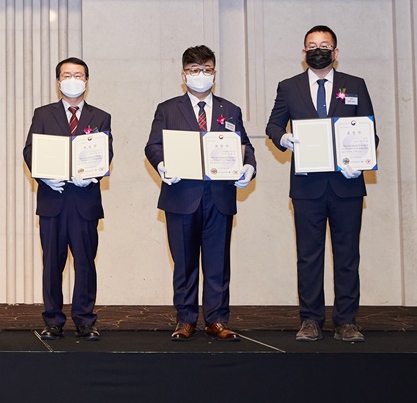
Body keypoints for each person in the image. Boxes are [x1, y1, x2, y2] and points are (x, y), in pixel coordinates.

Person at [266, 25, 376, 343]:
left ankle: (346, 322)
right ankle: (310, 320)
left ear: (335, 52)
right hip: (307, 187)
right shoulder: (289, 87)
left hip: (347, 185)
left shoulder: (355, 85)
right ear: (303, 53)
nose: (318, 50)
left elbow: (370, 133)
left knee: (347, 256)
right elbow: (273, 125)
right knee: (308, 256)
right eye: (312, 45)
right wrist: (282, 138)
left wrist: (361, 163)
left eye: (325, 45)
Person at [144, 45, 255, 341]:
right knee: (184, 263)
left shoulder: (231, 110)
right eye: (194, 70)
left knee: (218, 263)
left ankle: (217, 320)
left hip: (219, 197)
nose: (200, 75)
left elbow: (245, 146)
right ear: (184, 75)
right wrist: (162, 165)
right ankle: (185, 319)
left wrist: (249, 166)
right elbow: (153, 145)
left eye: (206, 69)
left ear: (214, 73)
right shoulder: (167, 109)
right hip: (181, 196)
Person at [22, 57, 112, 341]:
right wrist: (43, 175)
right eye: (66, 75)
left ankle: (85, 320)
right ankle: (53, 320)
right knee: (52, 264)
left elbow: (106, 151)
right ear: (58, 81)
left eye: (78, 75)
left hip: (85, 201)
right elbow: (30, 150)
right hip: (53, 199)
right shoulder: (43, 114)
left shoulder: (101, 116)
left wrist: (93, 175)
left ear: (87, 80)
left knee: (85, 263)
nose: (73, 80)